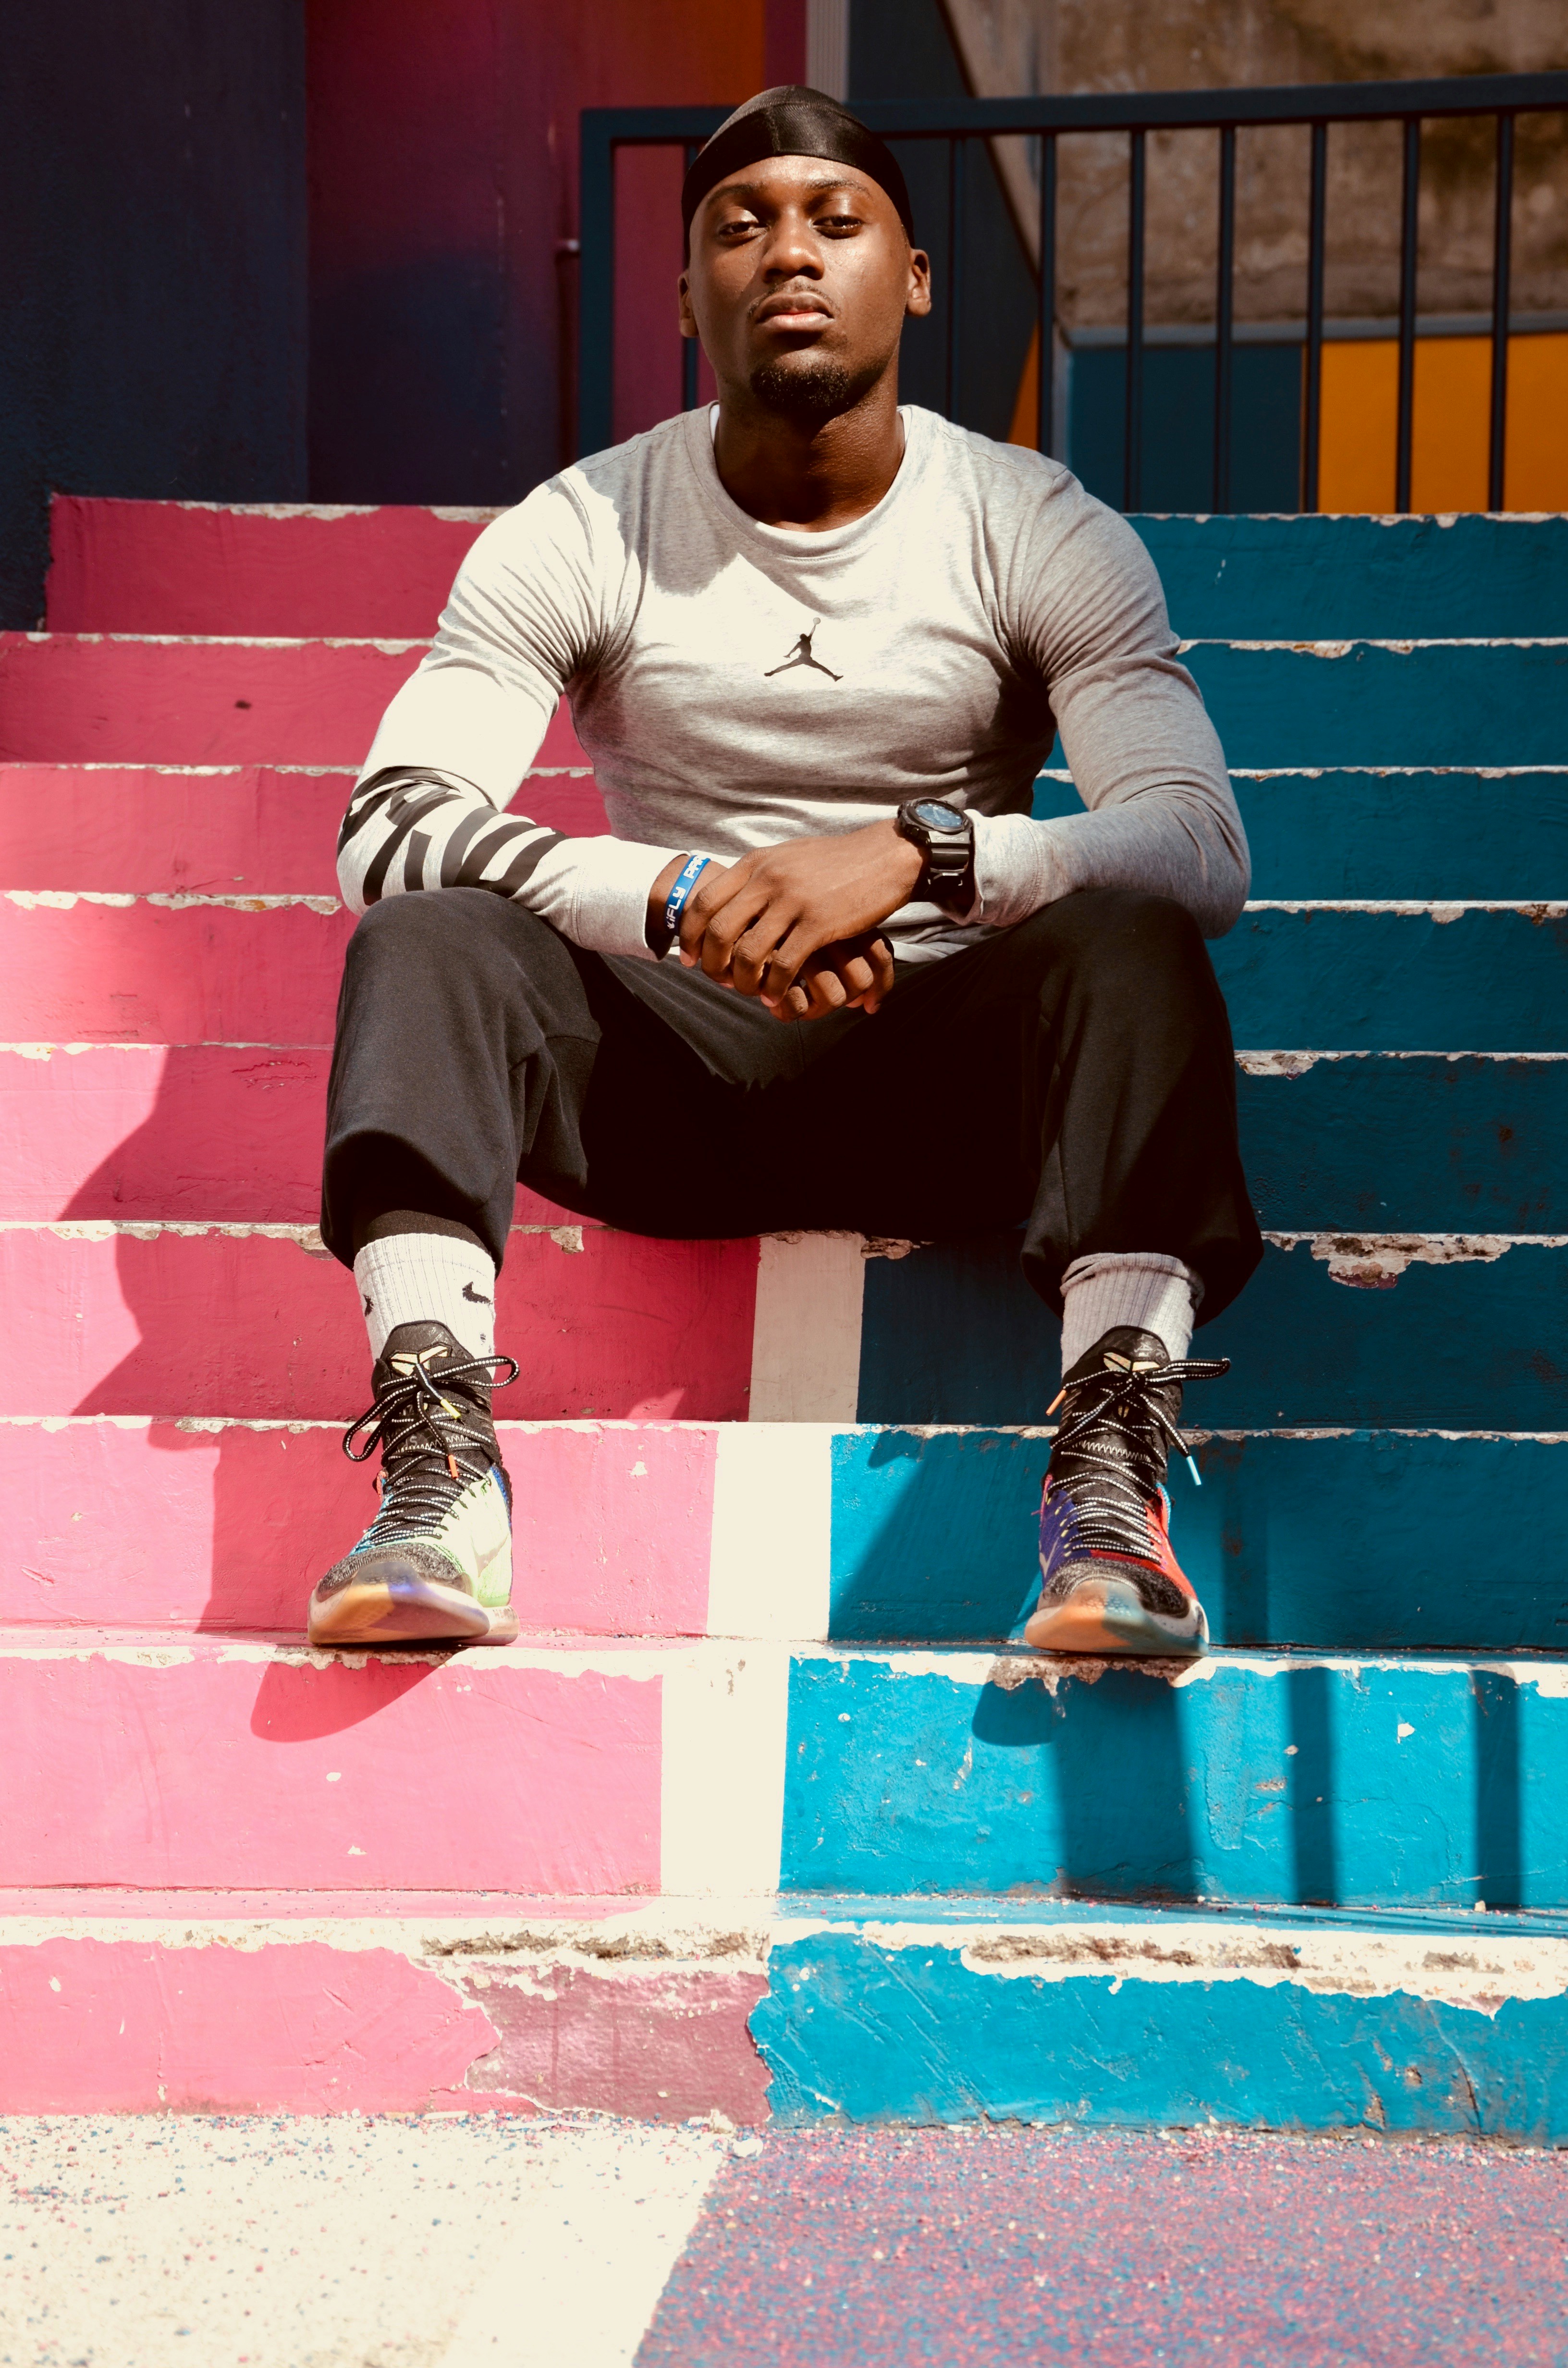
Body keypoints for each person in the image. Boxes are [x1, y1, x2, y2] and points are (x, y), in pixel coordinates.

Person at [309, 85, 1262, 1660]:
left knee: (1134, 938)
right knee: (431, 932)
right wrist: (684, 903)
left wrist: (915, 855)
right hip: (667, 1087)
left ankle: (1108, 1492)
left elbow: (1200, 840)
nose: (789, 255)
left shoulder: (1032, 521)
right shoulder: (582, 523)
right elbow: (388, 820)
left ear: (919, 274)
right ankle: (441, 1474)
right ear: (689, 294)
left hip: (962, 1093)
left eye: (836, 218)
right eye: (740, 228)